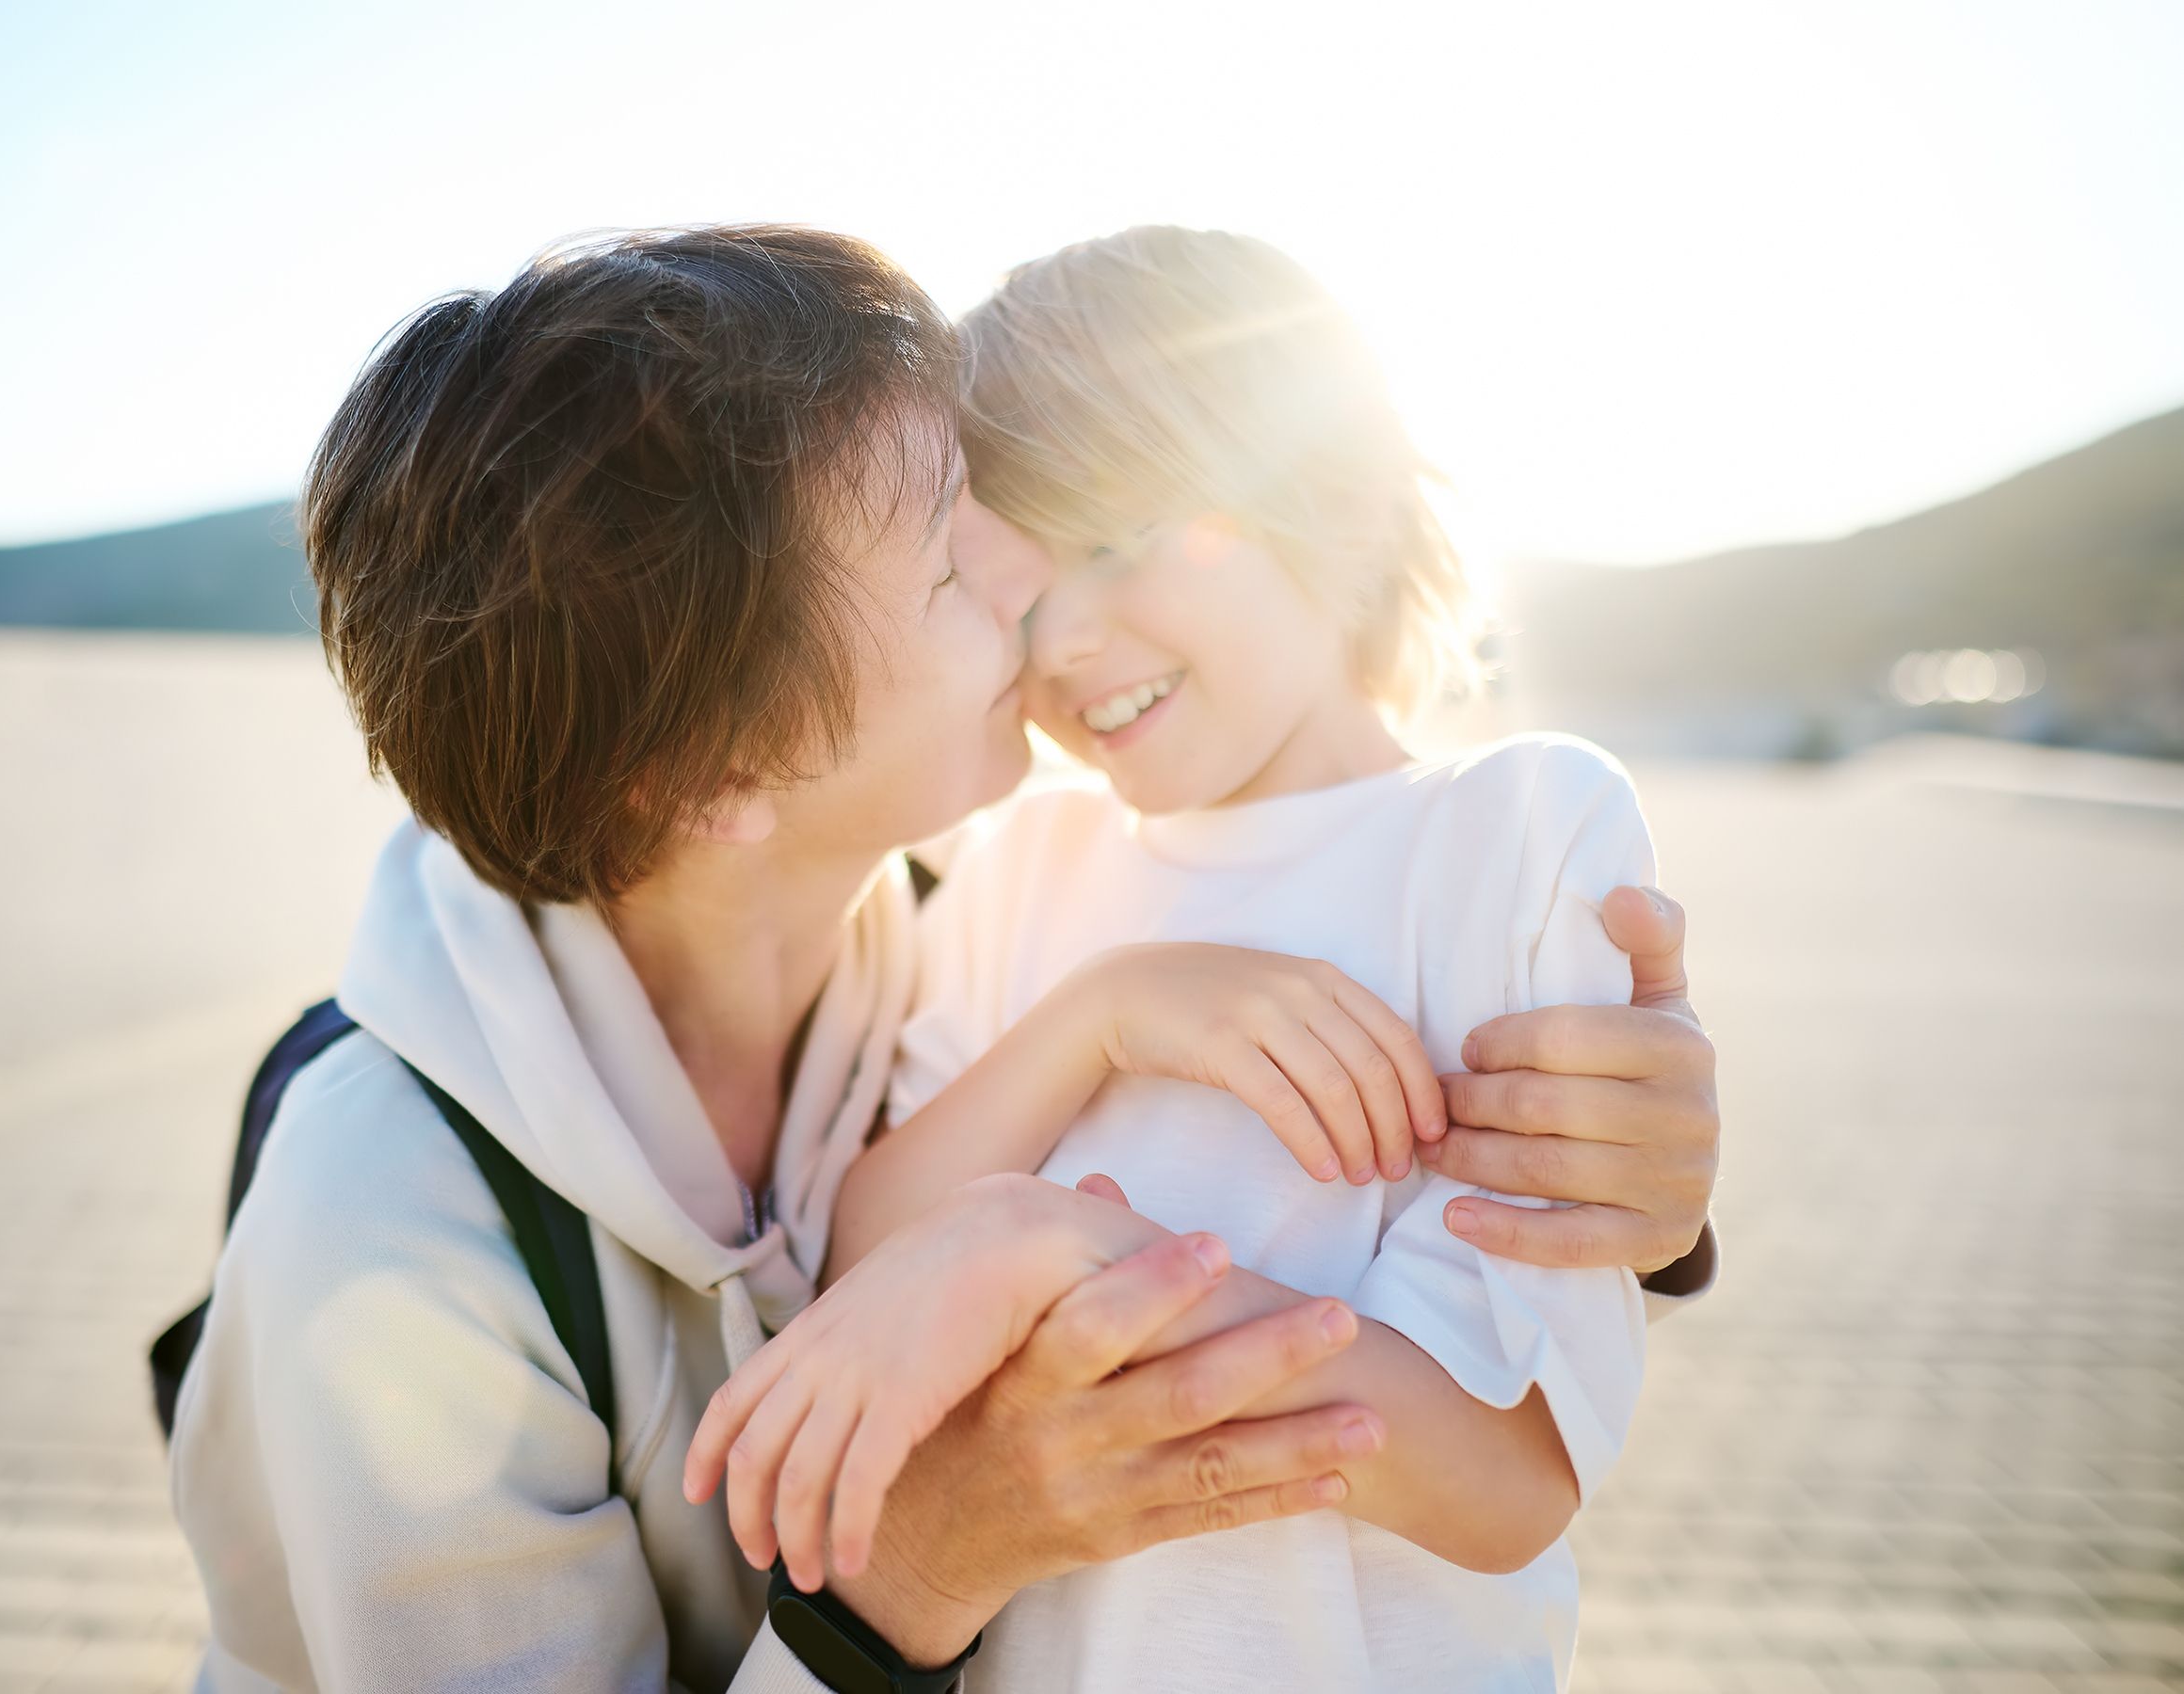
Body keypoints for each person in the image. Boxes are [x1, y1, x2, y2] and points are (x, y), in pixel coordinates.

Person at [165, 225, 1721, 1692]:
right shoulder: (388, 1229)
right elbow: (910, 1249)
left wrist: (1644, 1203)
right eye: (967, 570)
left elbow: (1502, 1433)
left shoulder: (938, 909)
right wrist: (938, 1511)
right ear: (720, 782)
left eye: (1056, 539)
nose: (1041, 627)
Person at [687, 226, 1677, 1690]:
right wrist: (1100, 1019)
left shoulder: (1515, 835)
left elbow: (1503, 1476)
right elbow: (867, 1277)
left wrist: (1062, 1249)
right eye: (1009, 594)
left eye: (1114, 540)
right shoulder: (1025, 867)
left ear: (1319, 489)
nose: (1068, 640)